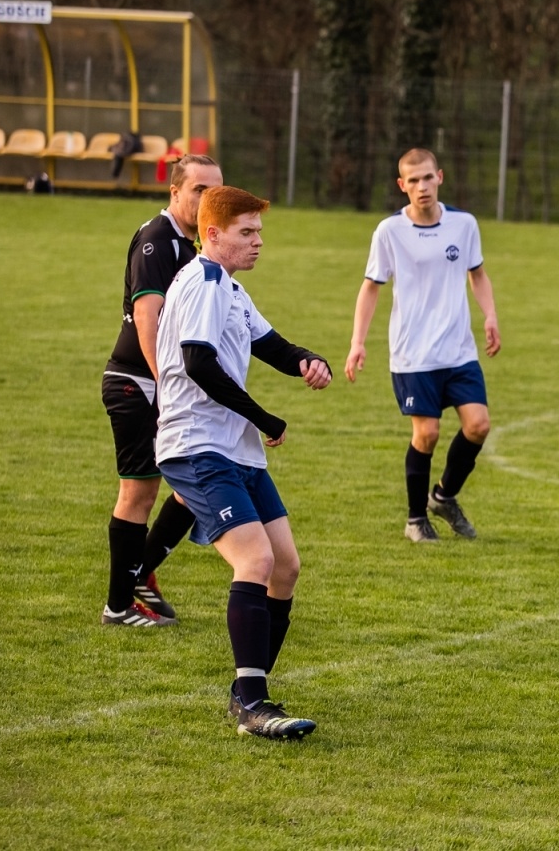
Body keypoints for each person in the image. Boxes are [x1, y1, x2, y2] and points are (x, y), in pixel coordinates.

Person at [154, 186, 332, 739]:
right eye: (246, 233)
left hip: (234, 449)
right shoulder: (204, 281)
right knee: (254, 561)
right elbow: (199, 362)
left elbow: (270, 344)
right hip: (197, 444)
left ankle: (248, 693)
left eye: (259, 232)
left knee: (285, 567)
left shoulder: (229, 286)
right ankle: (253, 705)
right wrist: (263, 416)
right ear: (213, 235)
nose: (257, 242)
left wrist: (308, 358)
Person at [346, 148, 500, 543]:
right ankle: (416, 519)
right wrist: (357, 343)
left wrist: (490, 315)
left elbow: (477, 274)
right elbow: (370, 288)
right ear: (402, 186)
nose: (421, 186)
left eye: (427, 178)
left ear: (440, 178)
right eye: (412, 180)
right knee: (427, 433)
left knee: (479, 425)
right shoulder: (389, 231)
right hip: (413, 353)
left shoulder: (464, 225)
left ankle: (444, 497)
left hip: (459, 350)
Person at [100, 154, 223, 627]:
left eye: (215, 190)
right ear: (175, 191)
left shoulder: (191, 245)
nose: (208, 199)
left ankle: (139, 573)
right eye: (199, 190)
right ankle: (118, 606)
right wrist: (166, 384)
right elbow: (148, 317)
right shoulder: (158, 240)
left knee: (194, 486)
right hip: (136, 383)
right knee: (138, 495)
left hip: (158, 385)